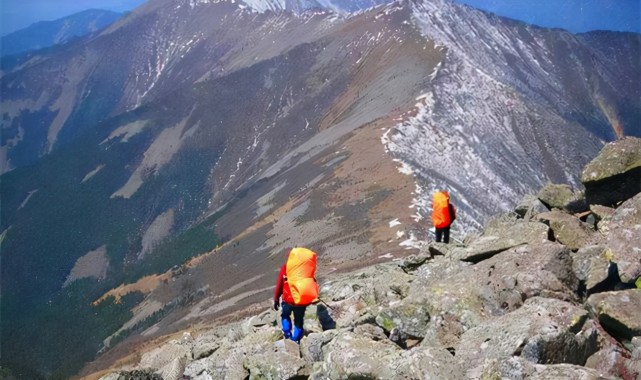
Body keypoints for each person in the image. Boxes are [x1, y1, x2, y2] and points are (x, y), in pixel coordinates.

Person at [273, 247, 319, 343]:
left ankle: (287, 335)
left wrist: (276, 299)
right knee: (299, 319)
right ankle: (296, 339)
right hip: (301, 300)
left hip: (288, 299)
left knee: (285, 315)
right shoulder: (305, 268)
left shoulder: (285, 268)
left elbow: (279, 285)